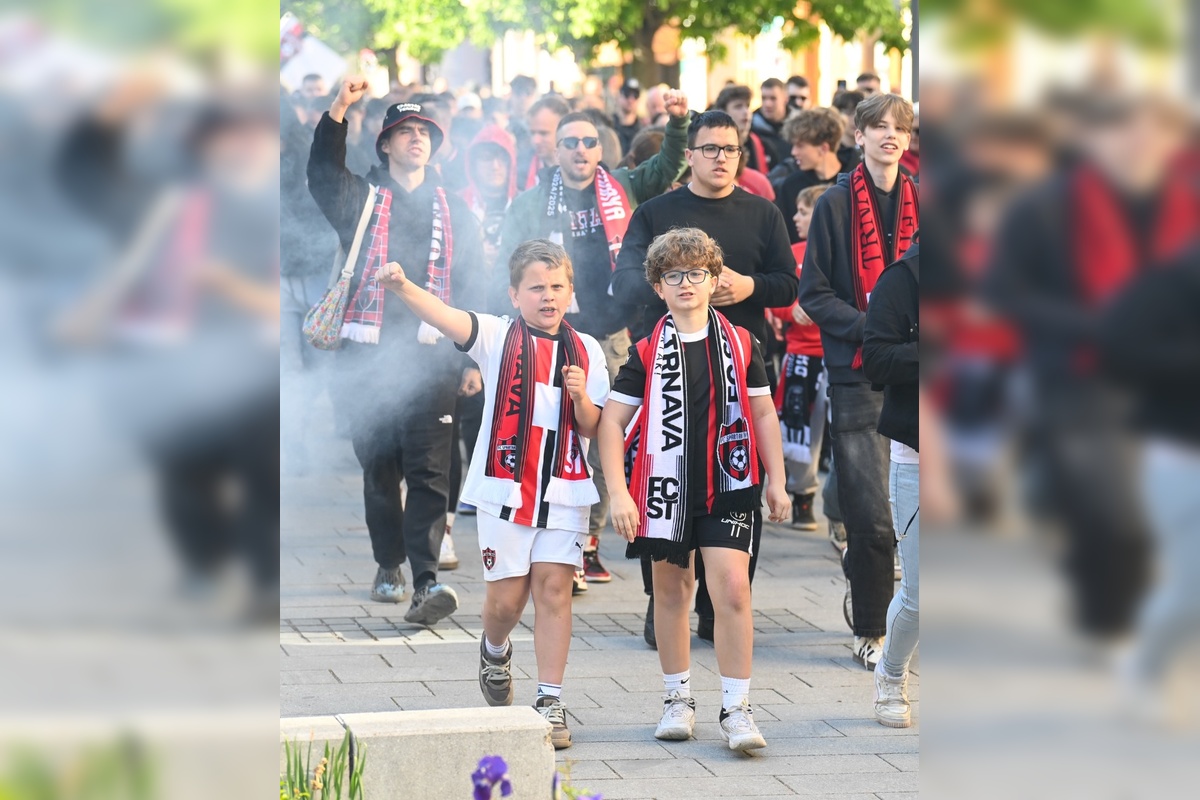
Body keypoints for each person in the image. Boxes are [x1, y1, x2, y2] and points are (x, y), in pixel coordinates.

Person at [377, 239, 609, 750]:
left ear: (571, 291)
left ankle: (550, 697)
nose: (548, 297)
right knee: (507, 601)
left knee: (553, 590)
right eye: (536, 288)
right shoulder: (498, 335)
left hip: (565, 491)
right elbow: (443, 315)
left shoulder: (587, 350)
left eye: (557, 287)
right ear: (514, 294)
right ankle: (495, 647)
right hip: (505, 489)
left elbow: (593, 427)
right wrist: (402, 286)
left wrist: (580, 396)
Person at [598, 227, 790, 751]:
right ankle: (677, 698)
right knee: (672, 591)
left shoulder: (743, 343)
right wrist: (619, 492)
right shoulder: (643, 351)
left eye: (696, 273)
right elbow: (612, 423)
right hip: (664, 489)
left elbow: (764, 410)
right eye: (673, 275)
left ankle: (737, 708)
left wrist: (777, 478)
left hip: (730, 481)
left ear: (713, 280)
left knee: (732, 589)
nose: (686, 283)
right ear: (658, 286)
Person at [611, 109, 798, 644]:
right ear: (688, 154)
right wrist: (677, 286)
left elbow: (788, 284)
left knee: (737, 477)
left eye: (730, 149)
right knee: (664, 479)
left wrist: (748, 288)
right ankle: (663, 595)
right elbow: (625, 276)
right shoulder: (655, 211)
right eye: (710, 148)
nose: (721, 158)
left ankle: (721, 604)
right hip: (667, 367)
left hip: (740, 366)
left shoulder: (763, 213)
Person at [495, 92, 692, 593]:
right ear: (554, 151)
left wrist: (676, 120)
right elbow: (511, 264)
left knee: (608, 438)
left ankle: (587, 542)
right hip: (548, 337)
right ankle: (548, 535)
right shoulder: (530, 203)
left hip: (610, 335)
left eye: (589, 141)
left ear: (600, 149)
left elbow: (669, 163)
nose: (580, 149)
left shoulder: (623, 186)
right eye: (569, 142)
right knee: (555, 437)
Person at [307, 75, 486, 625]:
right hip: (364, 357)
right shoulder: (360, 196)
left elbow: (472, 283)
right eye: (404, 131)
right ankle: (389, 564)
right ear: (384, 143)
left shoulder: (455, 209)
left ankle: (425, 580)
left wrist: (471, 357)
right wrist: (339, 106)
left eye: (425, 132)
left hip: (432, 359)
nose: (416, 139)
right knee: (380, 468)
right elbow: (320, 174)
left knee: (431, 471)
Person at [798, 92, 919, 670]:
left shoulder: (926, 200)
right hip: (856, 374)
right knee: (871, 513)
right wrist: (871, 329)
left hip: (918, 371)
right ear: (859, 134)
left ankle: (913, 616)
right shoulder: (835, 205)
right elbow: (813, 294)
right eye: (880, 127)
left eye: (901, 128)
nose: (891, 136)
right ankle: (871, 625)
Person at [861, 239, 920, 728]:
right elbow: (876, 359)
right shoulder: (905, 277)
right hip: (922, 453)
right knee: (923, 590)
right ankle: (892, 673)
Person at [770, 184, 832, 529]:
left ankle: (842, 500)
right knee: (799, 427)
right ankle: (804, 495)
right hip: (801, 354)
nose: (795, 217)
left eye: (804, 211)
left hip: (840, 354)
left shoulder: (845, 251)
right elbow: (776, 298)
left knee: (844, 431)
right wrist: (790, 309)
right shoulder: (791, 252)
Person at [775, 107, 848, 243]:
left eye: (800, 145)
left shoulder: (854, 181)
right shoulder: (790, 186)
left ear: (823, 148)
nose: (793, 152)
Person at [712, 84, 770, 176]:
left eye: (747, 106)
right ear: (723, 112)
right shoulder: (712, 145)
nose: (746, 112)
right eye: (738, 107)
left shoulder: (760, 143)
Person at [517, 94, 570, 190]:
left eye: (543, 133)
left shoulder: (583, 169)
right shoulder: (520, 169)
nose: (535, 141)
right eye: (532, 133)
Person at [751, 78, 791, 171]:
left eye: (773, 98)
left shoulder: (798, 127)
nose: (767, 104)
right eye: (764, 98)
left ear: (785, 98)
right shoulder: (751, 128)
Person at [612, 78, 645, 155]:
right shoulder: (609, 125)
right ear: (619, 96)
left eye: (635, 96)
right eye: (627, 94)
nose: (631, 100)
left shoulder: (644, 130)